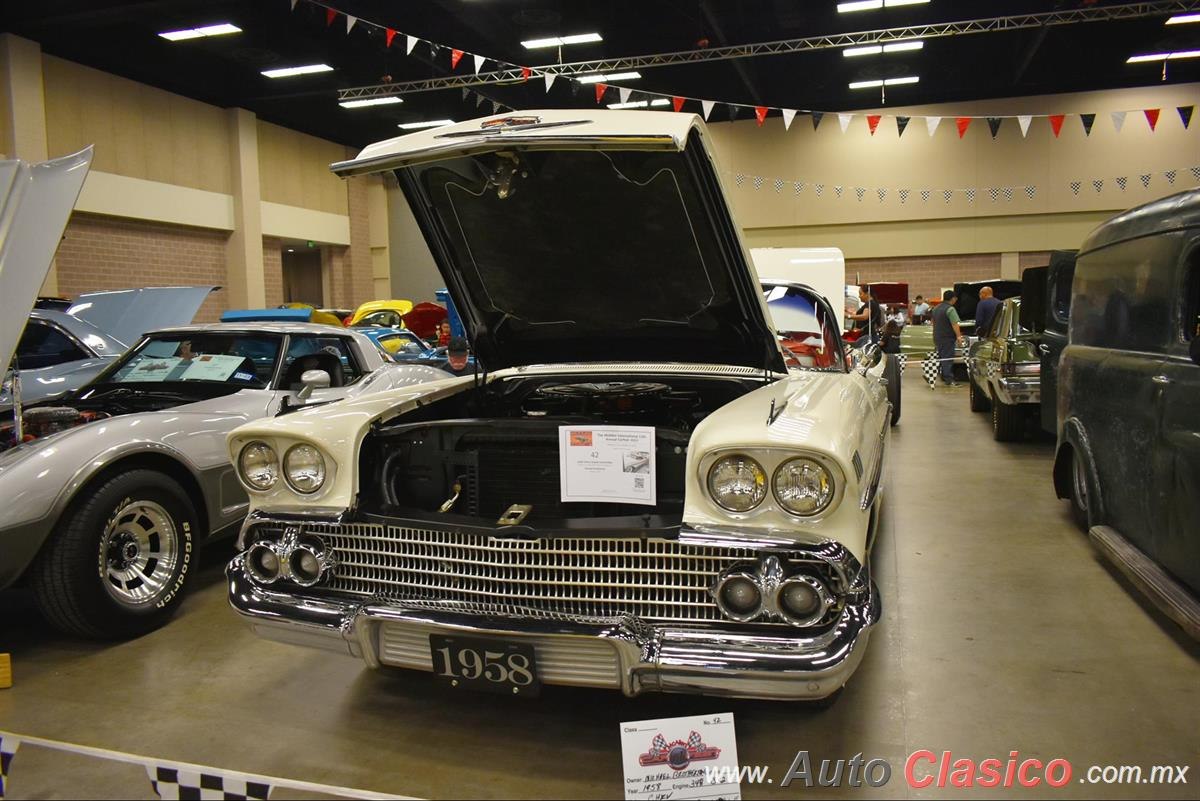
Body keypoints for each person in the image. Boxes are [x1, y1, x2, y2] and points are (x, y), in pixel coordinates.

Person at [931, 289, 965, 386]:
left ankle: (943, 376)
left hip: (937, 336)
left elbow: (933, 323)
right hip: (947, 337)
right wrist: (959, 336)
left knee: (941, 357)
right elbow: (955, 324)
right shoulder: (950, 309)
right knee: (947, 358)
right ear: (953, 298)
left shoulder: (936, 308)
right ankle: (949, 379)